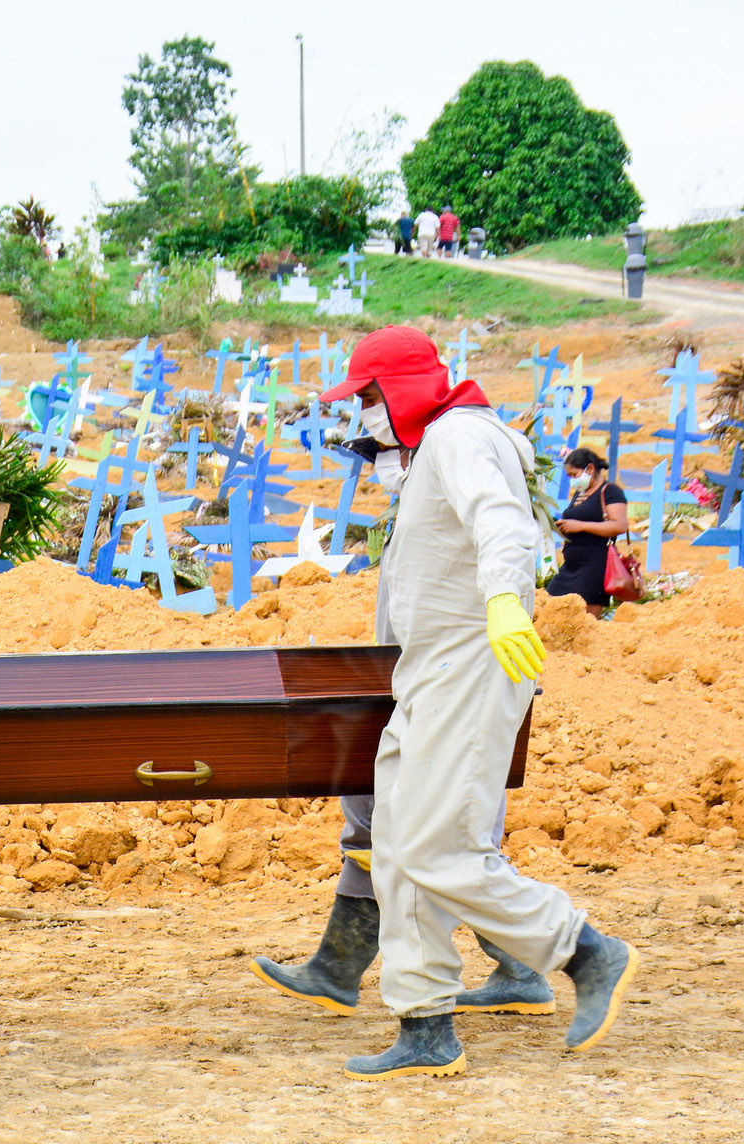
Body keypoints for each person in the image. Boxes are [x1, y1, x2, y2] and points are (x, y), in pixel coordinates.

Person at [301, 326, 635, 1080]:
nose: (366, 415)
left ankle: (585, 950)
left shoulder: (460, 437)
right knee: (395, 844)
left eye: (370, 397)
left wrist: (505, 605)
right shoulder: (434, 449)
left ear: (406, 388)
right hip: (428, 671)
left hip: (475, 659)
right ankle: (424, 1025)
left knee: (438, 847)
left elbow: (502, 522)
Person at [253, 433, 556, 1024]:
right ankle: (338, 970)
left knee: (436, 842)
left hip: (449, 691)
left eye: (389, 453)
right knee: (382, 828)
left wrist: (499, 603)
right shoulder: (416, 515)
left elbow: (494, 551)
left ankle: (560, 959)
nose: (383, 467)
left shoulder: (456, 500)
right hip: (411, 688)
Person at [545, 447, 630, 609]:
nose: (572, 481)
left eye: (574, 475)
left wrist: (580, 526)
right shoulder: (580, 493)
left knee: (583, 620)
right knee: (550, 609)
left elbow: (620, 525)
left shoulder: (611, 491)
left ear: (590, 469)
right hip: (570, 565)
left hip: (593, 566)